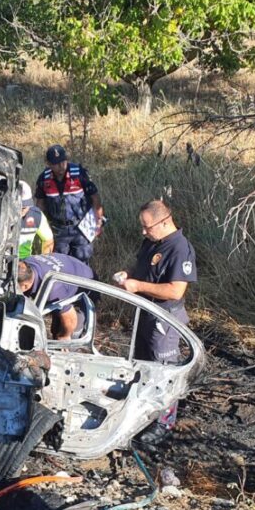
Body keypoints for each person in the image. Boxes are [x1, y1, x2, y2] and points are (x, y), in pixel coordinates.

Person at [112, 199, 197, 442]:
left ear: (164, 222)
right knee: (142, 362)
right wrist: (129, 275)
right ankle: (142, 411)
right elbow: (141, 266)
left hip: (165, 317)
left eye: (147, 226)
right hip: (144, 311)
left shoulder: (180, 249)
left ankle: (164, 423)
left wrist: (138, 286)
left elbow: (175, 291)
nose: (143, 231)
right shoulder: (152, 241)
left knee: (164, 369)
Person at [33, 145, 104, 264]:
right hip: (58, 229)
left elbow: (95, 198)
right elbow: (40, 204)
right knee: (60, 263)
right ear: (49, 164)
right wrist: (39, 225)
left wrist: (99, 221)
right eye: (56, 163)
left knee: (82, 262)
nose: (61, 166)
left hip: (81, 228)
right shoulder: (44, 179)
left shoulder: (79, 174)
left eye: (63, 161)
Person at [18, 253, 94, 340]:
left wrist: (64, 336)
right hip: (70, 270)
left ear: (25, 286)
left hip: (87, 285)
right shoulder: (25, 263)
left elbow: (70, 318)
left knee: (68, 335)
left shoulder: (53, 289)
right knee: (56, 325)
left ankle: (68, 348)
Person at [17, 180, 54, 259]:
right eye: (17, 206)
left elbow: (48, 240)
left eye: (24, 206)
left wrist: (43, 261)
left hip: (24, 262)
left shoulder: (37, 216)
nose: (21, 209)